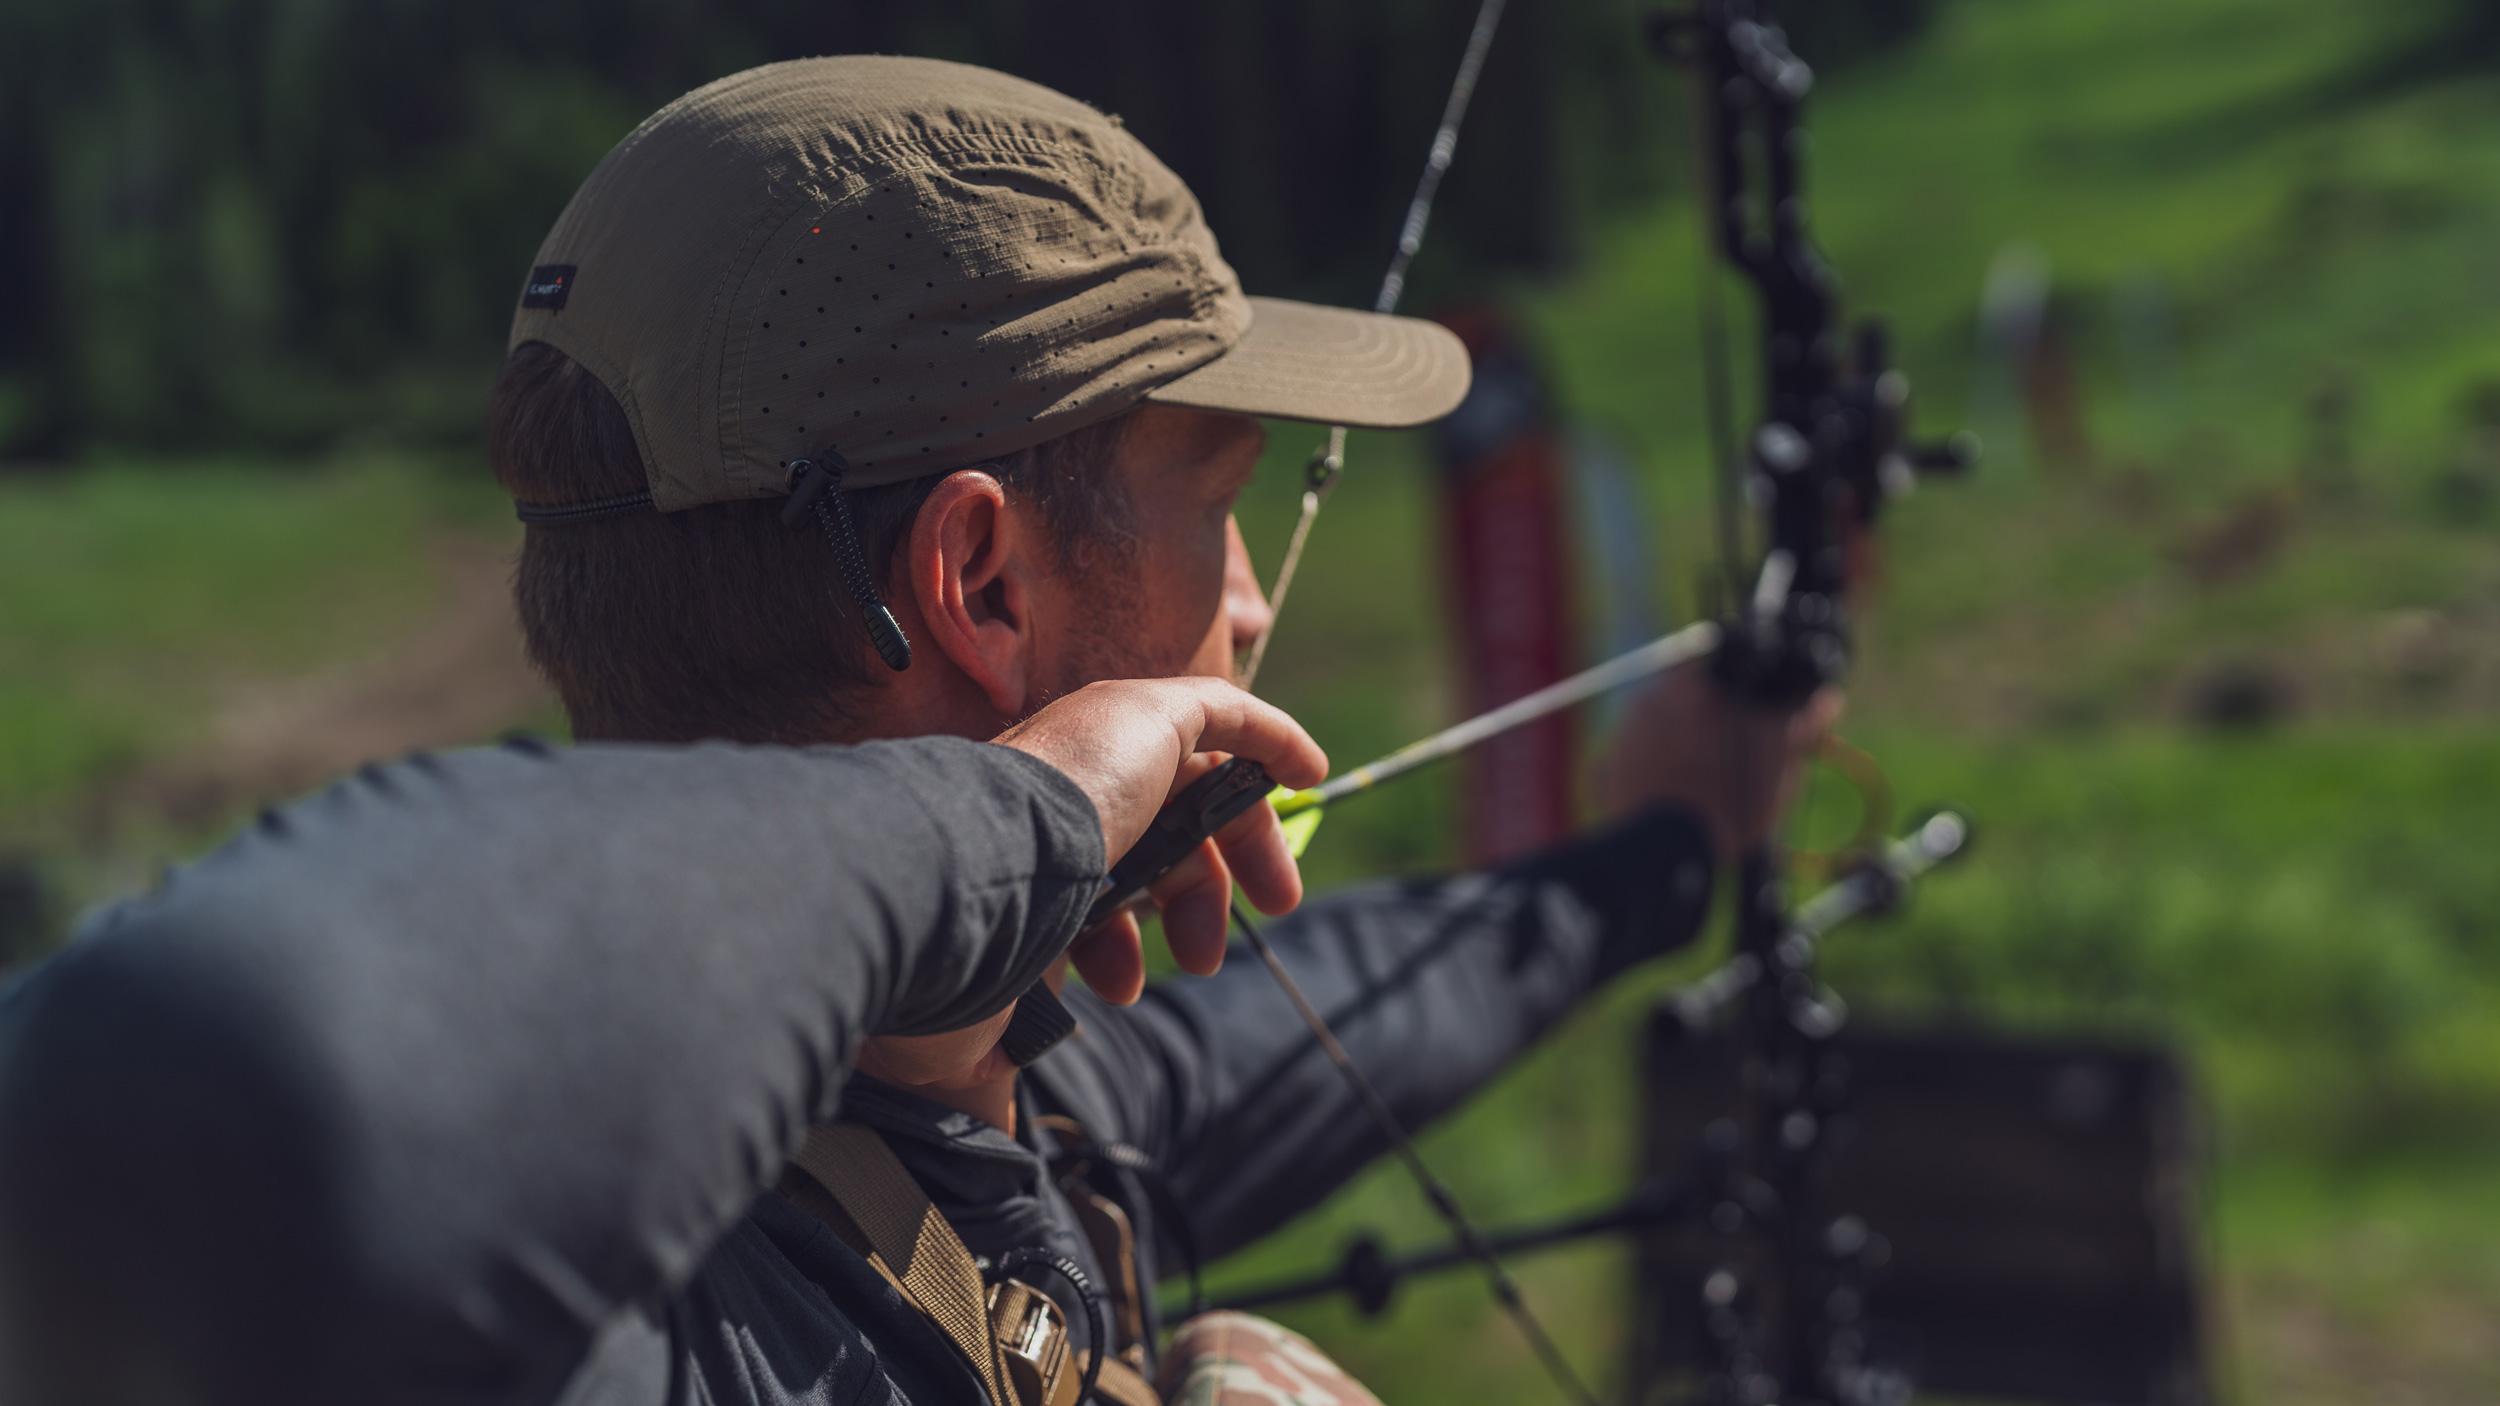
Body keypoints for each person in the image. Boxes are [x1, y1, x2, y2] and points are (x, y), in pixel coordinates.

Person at [2, 55, 1835, 1406]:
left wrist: (1661, 848)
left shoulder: (966, 1093)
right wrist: (1020, 819)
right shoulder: (652, 1326)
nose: (1254, 602)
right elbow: (198, 1080)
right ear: (979, 583)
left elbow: (1336, 1021)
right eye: (1214, 508)